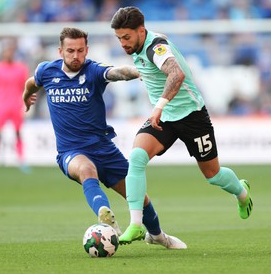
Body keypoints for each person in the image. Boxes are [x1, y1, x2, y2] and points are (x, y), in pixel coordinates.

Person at [22, 27, 187, 249]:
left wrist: (141, 71)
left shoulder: (93, 71)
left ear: (87, 50)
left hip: (103, 149)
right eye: (70, 51)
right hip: (71, 152)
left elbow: (118, 72)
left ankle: (158, 236)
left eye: (81, 51)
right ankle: (106, 217)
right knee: (86, 170)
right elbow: (32, 82)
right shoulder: (47, 71)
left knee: (137, 195)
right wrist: (26, 97)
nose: (76, 56)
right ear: (60, 51)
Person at [110, 6, 253, 245]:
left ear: (141, 31)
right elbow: (143, 70)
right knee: (136, 157)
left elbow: (176, 75)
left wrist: (158, 107)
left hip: (191, 115)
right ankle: (135, 224)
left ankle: (242, 192)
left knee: (213, 175)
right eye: (119, 39)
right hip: (165, 119)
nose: (123, 43)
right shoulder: (137, 49)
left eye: (126, 37)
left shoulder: (156, 46)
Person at [0, 40, 30, 174]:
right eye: (6, 51)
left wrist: (27, 104)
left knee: (18, 133)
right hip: (1, 106)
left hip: (16, 106)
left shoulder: (21, 68)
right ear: (3, 53)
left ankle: (22, 161)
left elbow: (26, 88)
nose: (9, 54)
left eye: (11, 51)